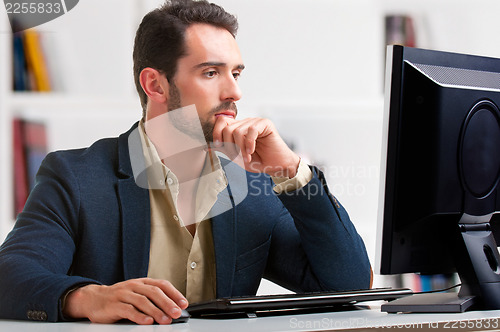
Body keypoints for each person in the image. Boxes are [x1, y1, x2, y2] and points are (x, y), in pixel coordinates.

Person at [0, 0, 371, 325]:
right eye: (211, 73)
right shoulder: (76, 177)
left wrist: (291, 173)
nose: (234, 92)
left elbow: (348, 285)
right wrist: (89, 298)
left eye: (236, 73)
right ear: (155, 85)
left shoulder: (255, 187)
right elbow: (10, 276)